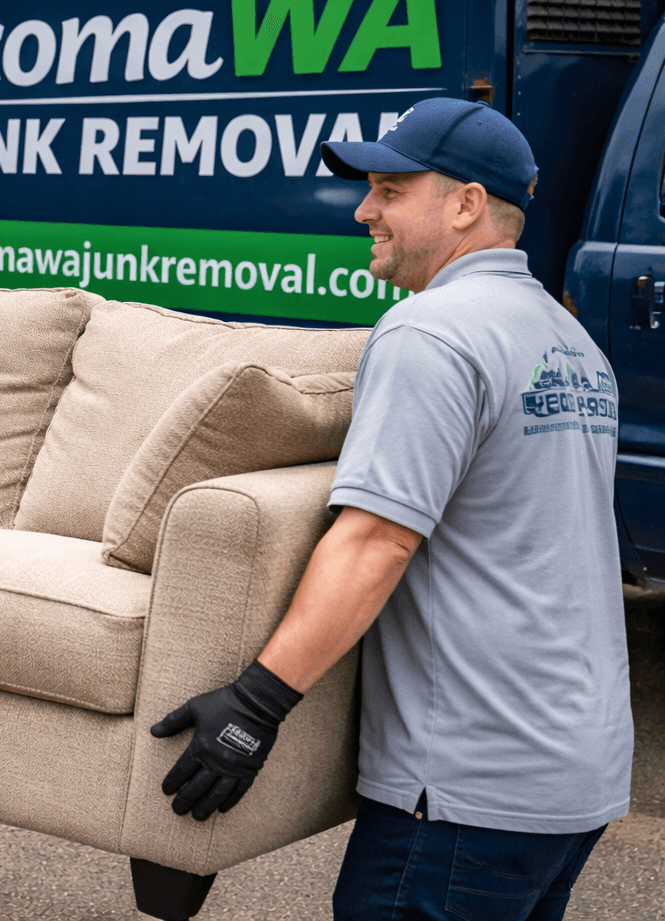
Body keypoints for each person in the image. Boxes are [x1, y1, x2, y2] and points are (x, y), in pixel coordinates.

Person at [147, 97, 632, 920]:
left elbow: (376, 541)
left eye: (391, 191)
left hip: (466, 789)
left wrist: (257, 706)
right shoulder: (571, 343)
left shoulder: (430, 333)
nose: (364, 211)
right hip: (575, 773)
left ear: (467, 204)